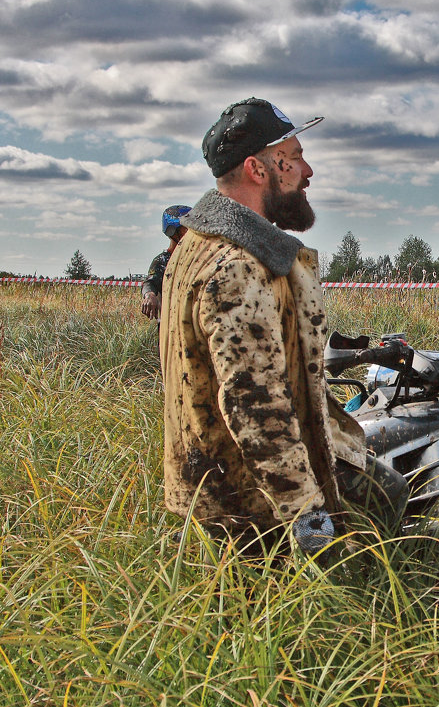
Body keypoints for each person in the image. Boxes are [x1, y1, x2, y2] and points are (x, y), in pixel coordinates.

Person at [160, 97, 400, 559]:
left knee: (385, 488)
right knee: (377, 537)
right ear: (258, 168)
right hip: (252, 502)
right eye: (294, 158)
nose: (307, 171)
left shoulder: (196, 245)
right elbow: (255, 408)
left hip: (225, 484)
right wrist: (307, 517)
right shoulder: (236, 266)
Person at [140, 205, 191, 319]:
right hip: (170, 326)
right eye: (186, 228)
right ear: (172, 231)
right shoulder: (163, 261)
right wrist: (150, 295)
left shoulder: (196, 259)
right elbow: (150, 283)